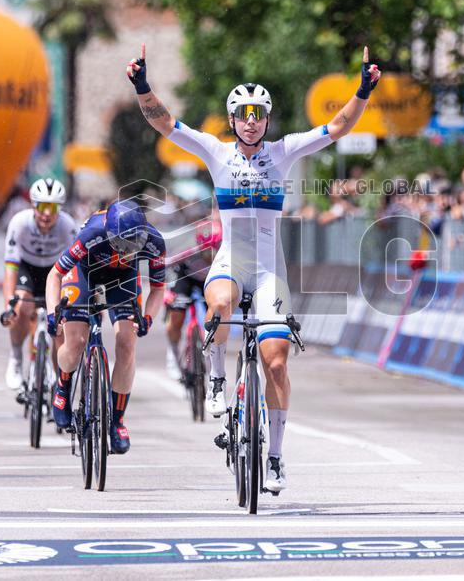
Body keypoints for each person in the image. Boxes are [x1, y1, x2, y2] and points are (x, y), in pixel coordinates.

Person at [126, 42, 381, 493]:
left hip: (269, 272)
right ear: (232, 119)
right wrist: (143, 85)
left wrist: (362, 88)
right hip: (230, 262)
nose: (250, 120)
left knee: (276, 364)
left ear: (266, 119)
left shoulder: (282, 152)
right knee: (219, 303)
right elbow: (164, 123)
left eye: (257, 113)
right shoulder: (215, 152)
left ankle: (277, 457)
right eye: (242, 113)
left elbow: (338, 127)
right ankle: (218, 383)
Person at [45, 199, 166, 455]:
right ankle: (63, 387)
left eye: (134, 244)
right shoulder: (92, 234)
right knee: (75, 341)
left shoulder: (155, 242)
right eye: (122, 244)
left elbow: (158, 288)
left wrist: (148, 318)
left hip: (123, 278)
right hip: (85, 273)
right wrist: (52, 313)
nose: (127, 249)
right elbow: (54, 274)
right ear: (110, 234)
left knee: (127, 342)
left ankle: (117, 421)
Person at [1, 178, 77, 391]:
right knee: (21, 308)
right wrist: (9, 305)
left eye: (53, 207)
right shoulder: (19, 223)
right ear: (33, 206)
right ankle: (16, 357)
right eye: (42, 206)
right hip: (27, 268)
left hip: (56, 270)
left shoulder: (68, 226)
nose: (47, 213)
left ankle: (58, 377)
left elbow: (75, 270)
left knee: (62, 321)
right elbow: (10, 268)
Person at [164, 215, 222, 380]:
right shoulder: (186, 254)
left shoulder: (224, 257)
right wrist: (169, 295)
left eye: (214, 249)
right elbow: (164, 267)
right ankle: (173, 355)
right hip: (186, 279)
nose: (209, 255)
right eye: (205, 250)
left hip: (209, 282)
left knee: (218, 315)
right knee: (176, 315)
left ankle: (214, 360)